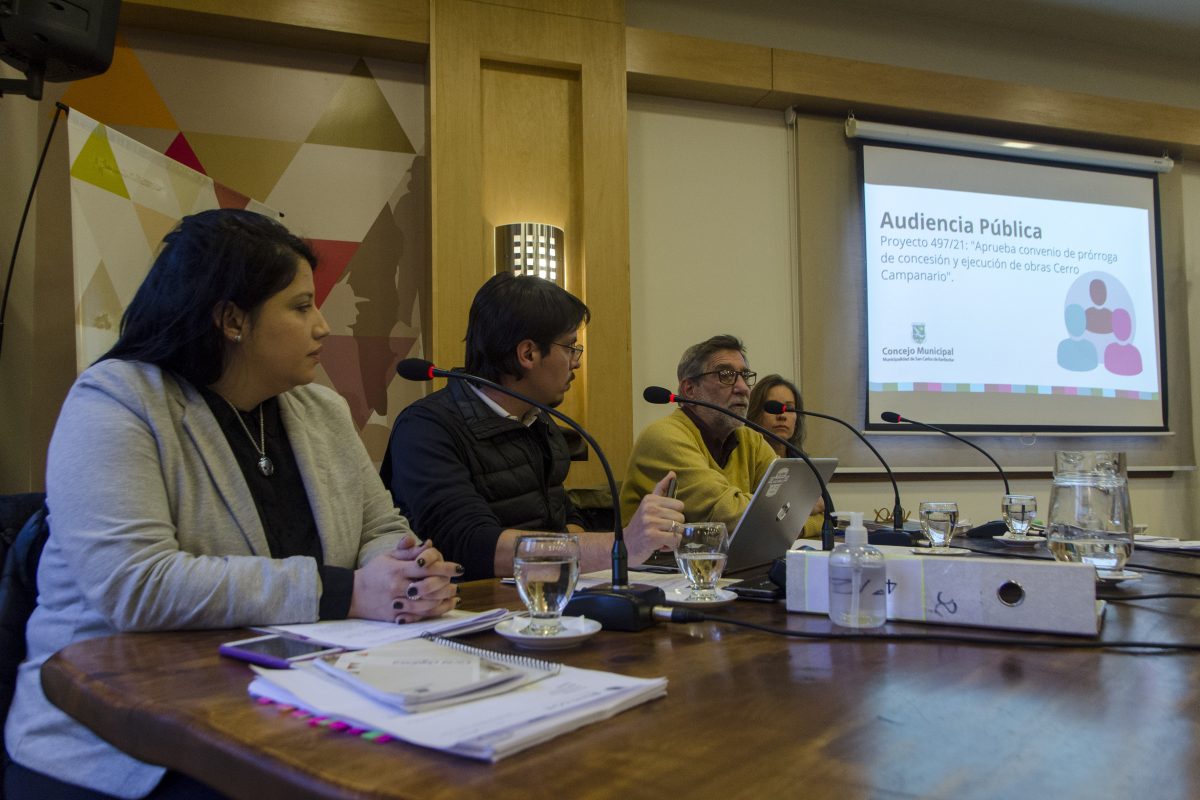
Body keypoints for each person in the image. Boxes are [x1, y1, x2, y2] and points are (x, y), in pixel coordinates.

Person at [4, 209, 460, 800]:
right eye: (300, 308)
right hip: (121, 735)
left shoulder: (318, 409)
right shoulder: (115, 402)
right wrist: (345, 591)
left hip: (288, 702)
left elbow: (379, 526)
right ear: (232, 321)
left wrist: (404, 573)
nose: (323, 327)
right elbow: (135, 585)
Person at [381, 272, 683, 581]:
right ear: (528, 353)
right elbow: (469, 545)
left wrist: (580, 571)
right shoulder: (426, 429)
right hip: (469, 607)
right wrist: (619, 546)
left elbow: (565, 518)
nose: (576, 362)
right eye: (570, 347)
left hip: (546, 597)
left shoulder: (538, 420)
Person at [620, 335, 777, 531]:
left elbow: (810, 505)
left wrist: (788, 513)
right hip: (662, 561)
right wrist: (785, 513)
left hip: (729, 560)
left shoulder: (750, 440)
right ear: (690, 390)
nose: (743, 388)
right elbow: (726, 515)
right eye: (726, 375)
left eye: (745, 376)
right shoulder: (663, 437)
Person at [746, 374, 824, 537]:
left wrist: (795, 527)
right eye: (773, 408)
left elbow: (826, 518)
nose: (782, 415)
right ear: (754, 413)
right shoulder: (744, 459)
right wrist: (800, 513)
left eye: (789, 408)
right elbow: (759, 520)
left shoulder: (803, 463)